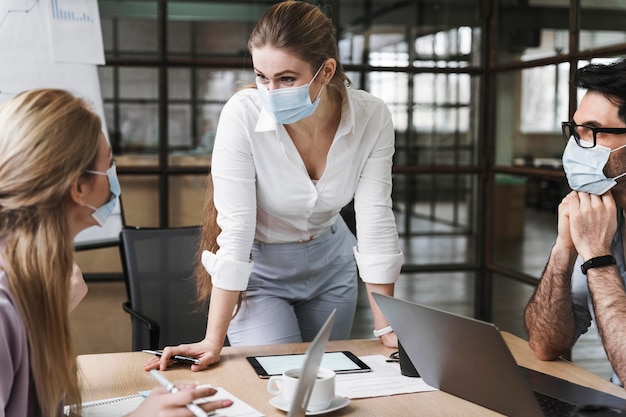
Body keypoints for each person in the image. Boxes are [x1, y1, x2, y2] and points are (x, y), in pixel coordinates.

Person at [148, 0, 403, 372]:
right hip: (261, 272)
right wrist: (212, 340)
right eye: (261, 77)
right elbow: (235, 231)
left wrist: (387, 326)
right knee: (282, 380)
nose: (270, 91)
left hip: (332, 264)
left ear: (326, 70)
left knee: (327, 379)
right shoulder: (242, 114)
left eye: (286, 79)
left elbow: (376, 220)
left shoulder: (372, 116)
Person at [0, 89, 232, 416]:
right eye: (108, 164)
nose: (113, 178)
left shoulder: (34, 280)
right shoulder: (4, 305)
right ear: (78, 188)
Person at [524, 58, 626, 386]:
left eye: (591, 131)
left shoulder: (601, 234)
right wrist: (564, 249)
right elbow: (545, 343)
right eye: (575, 130)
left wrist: (597, 257)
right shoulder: (604, 215)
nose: (574, 146)